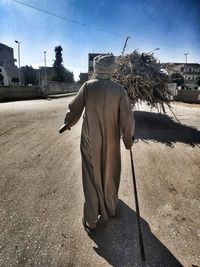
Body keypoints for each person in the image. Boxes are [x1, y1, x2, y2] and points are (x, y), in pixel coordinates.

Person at [62, 54, 135, 234]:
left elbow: (75, 108)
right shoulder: (119, 90)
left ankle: (92, 219)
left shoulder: (88, 86)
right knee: (109, 171)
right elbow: (127, 119)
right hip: (111, 141)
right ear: (112, 69)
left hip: (89, 139)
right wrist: (128, 140)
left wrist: (68, 123)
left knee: (90, 174)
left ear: (97, 68)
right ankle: (109, 208)